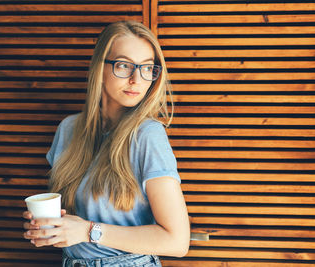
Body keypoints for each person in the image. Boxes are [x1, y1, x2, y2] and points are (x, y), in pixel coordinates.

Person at [23, 20, 190, 267]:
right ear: (99, 68)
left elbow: (177, 241)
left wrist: (88, 231)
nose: (137, 79)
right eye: (124, 65)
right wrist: (51, 228)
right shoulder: (68, 130)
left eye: (147, 68)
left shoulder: (148, 135)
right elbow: (72, 222)